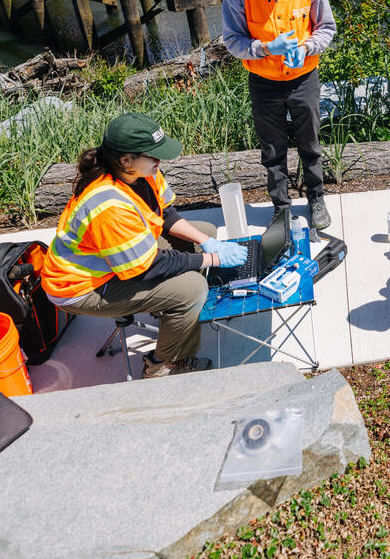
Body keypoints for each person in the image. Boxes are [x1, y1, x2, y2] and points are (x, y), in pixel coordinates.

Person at [40, 113, 249, 378]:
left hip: (113, 262)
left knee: (202, 232)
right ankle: (163, 364)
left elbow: (166, 214)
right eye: (153, 156)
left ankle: (169, 309)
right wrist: (214, 259)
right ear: (126, 160)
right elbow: (148, 267)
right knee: (192, 289)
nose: (159, 162)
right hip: (82, 285)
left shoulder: (144, 173)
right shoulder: (108, 205)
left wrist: (206, 242)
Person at [221, 0, 337, 231]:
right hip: (264, 82)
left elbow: (327, 27)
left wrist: (309, 46)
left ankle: (316, 198)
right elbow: (232, 41)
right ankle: (281, 207)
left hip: (304, 79)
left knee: (310, 143)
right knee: (272, 150)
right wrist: (263, 48)